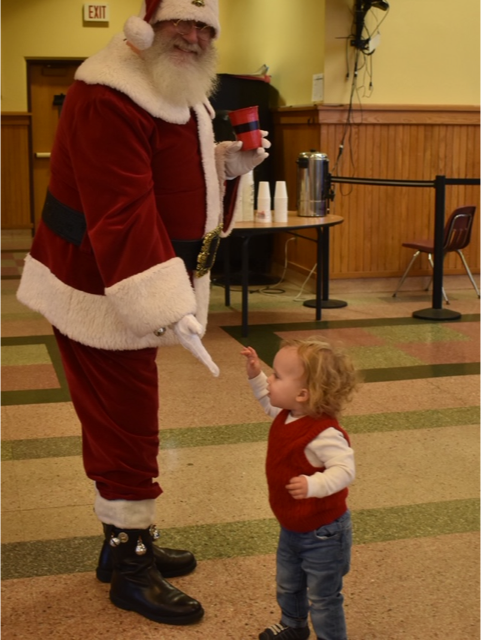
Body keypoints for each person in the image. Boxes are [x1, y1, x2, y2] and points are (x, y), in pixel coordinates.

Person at [16, 0, 270, 627]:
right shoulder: (109, 92)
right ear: (148, 24)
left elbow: (174, 175)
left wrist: (227, 165)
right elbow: (121, 208)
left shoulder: (175, 87)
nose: (193, 35)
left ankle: (122, 544)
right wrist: (165, 303)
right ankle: (130, 567)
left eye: (204, 26)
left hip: (128, 283)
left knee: (122, 419)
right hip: (99, 290)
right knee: (127, 425)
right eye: (182, 22)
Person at [241, 338, 358, 640]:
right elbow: (268, 401)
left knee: (323, 597)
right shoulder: (288, 414)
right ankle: (293, 625)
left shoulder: (324, 433)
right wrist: (254, 375)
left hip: (324, 533)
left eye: (277, 376)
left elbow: (345, 470)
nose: (270, 379)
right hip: (292, 525)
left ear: (303, 394)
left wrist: (314, 484)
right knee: (289, 583)